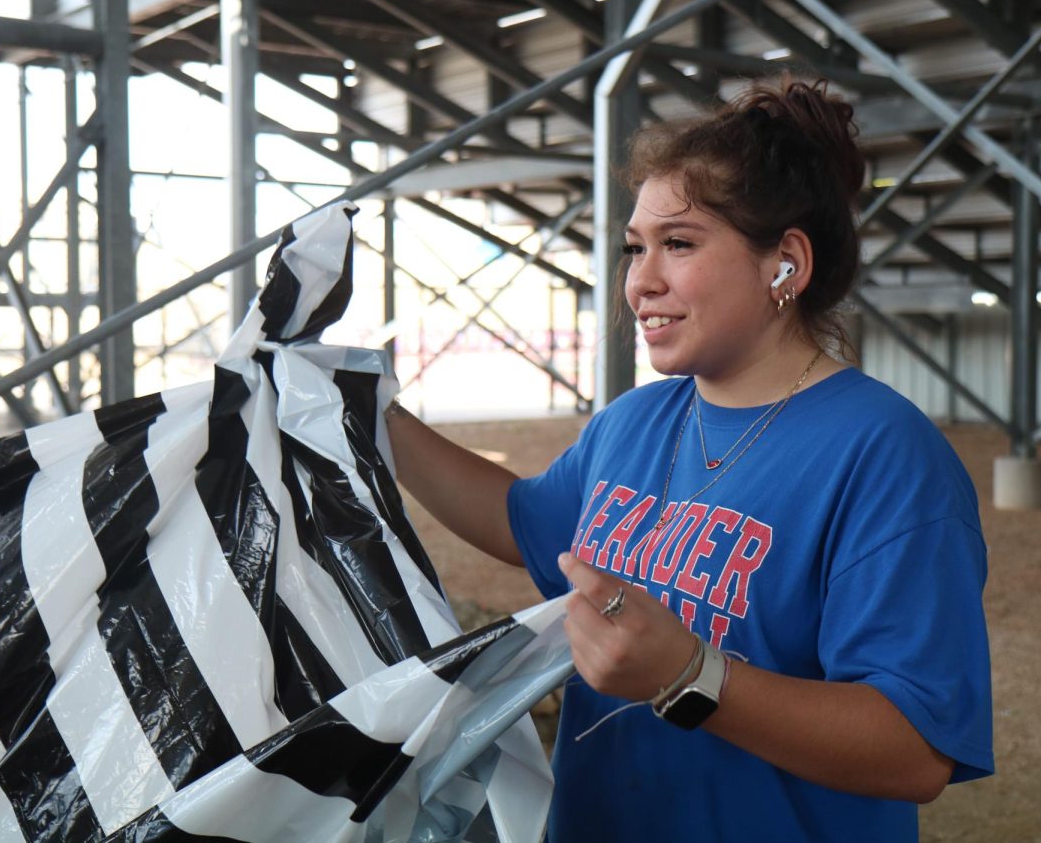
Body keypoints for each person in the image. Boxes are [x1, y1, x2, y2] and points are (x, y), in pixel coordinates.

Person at [384, 78, 993, 842]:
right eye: (635, 248)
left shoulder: (884, 455)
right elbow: (520, 521)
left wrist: (692, 677)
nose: (641, 282)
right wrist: (369, 415)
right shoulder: (636, 422)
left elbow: (915, 749)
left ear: (786, 264)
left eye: (679, 244)